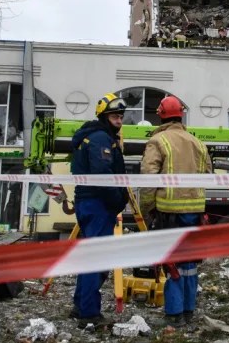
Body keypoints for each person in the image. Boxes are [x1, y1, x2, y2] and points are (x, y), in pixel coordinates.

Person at [139, 96, 212, 327]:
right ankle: (188, 311)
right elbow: (208, 174)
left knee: (172, 263)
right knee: (189, 264)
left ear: (160, 115)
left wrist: (146, 208)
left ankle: (174, 314)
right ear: (181, 115)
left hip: (168, 212)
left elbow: (148, 179)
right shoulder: (197, 142)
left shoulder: (158, 141)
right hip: (195, 211)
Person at [70, 93, 130, 328]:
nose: (119, 120)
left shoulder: (95, 136)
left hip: (90, 203)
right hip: (97, 205)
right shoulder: (100, 139)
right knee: (97, 260)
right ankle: (89, 313)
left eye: (121, 116)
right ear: (104, 116)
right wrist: (117, 200)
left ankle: (80, 306)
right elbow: (102, 175)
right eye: (115, 116)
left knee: (91, 257)